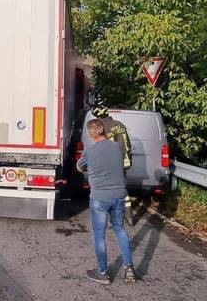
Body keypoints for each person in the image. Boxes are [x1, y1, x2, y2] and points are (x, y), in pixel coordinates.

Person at [77, 118, 136, 284]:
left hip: (100, 198)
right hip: (119, 195)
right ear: (103, 130)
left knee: (99, 235)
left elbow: (80, 167)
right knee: (120, 229)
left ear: (90, 134)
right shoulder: (117, 147)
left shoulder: (89, 152)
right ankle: (129, 267)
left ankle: (103, 273)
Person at [91, 103, 135, 226]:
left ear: (96, 117)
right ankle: (129, 216)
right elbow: (128, 145)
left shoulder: (101, 129)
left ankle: (111, 219)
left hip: (109, 164)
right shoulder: (120, 125)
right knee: (122, 189)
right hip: (123, 162)